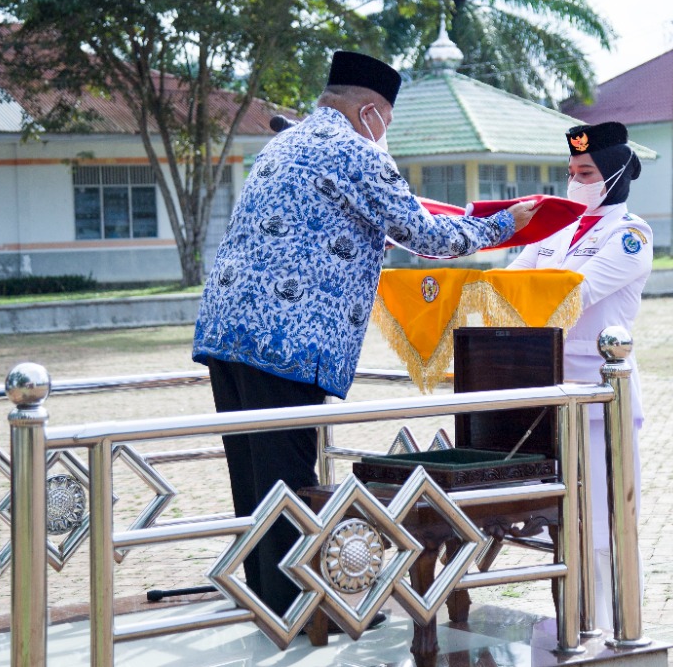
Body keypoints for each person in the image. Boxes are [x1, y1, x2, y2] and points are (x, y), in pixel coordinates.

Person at [193, 50, 538, 615]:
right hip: (286, 340)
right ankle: (295, 612)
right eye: (387, 125)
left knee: (252, 473)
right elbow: (427, 235)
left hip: (227, 332)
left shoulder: (283, 143)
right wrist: (505, 223)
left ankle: (261, 596)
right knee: (288, 480)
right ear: (372, 112)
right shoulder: (356, 150)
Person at [507, 121, 652, 630]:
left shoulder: (631, 235)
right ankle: (571, 614)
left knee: (600, 521)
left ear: (613, 176)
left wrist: (516, 291)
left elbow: (575, 293)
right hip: (546, 391)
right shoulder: (557, 229)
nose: (576, 181)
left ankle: (605, 618)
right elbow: (506, 286)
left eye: (586, 171)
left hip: (597, 399)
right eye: (571, 171)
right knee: (564, 521)